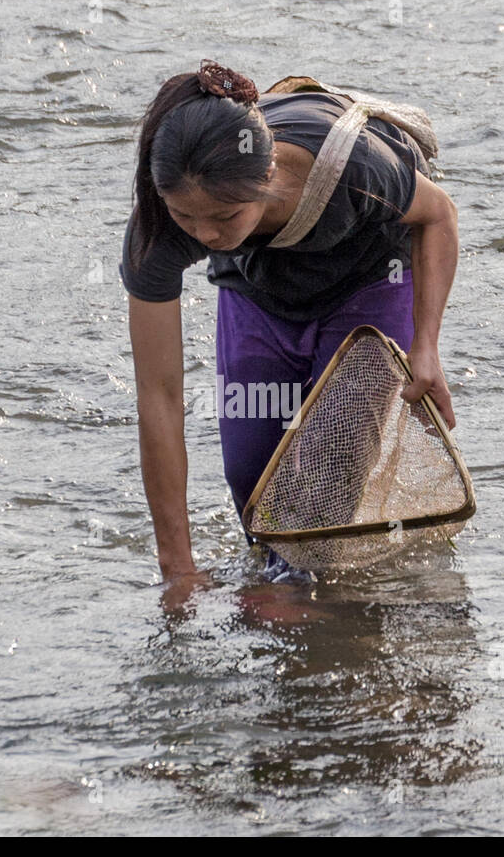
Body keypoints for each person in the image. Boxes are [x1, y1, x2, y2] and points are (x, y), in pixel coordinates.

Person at [120, 60, 459, 596]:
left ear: (268, 177)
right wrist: (177, 570)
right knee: (254, 483)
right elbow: (158, 398)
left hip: (369, 277)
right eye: (189, 218)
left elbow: (437, 214)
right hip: (257, 282)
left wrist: (426, 346)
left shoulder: (352, 166)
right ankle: (284, 604)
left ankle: (315, 606)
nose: (204, 235)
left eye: (224, 217)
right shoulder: (161, 231)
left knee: (324, 489)